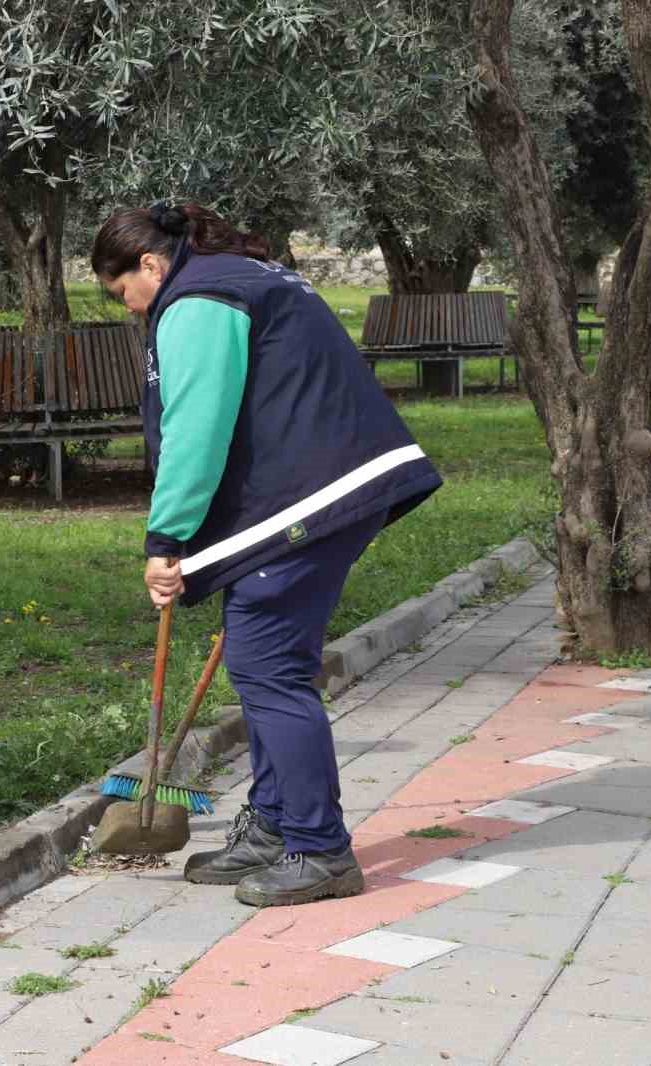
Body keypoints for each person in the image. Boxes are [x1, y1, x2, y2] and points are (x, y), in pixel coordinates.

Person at [91, 203, 442, 908]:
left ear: (151, 264)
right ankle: (275, 826)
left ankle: (319, 849)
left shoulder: (199, 299)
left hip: (311, 496)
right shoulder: (241, 276)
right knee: (267, 659)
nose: (127, 306)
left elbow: (197, 427)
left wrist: (166, 540)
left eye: (122, 289)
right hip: (328, 489)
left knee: (267, 667)